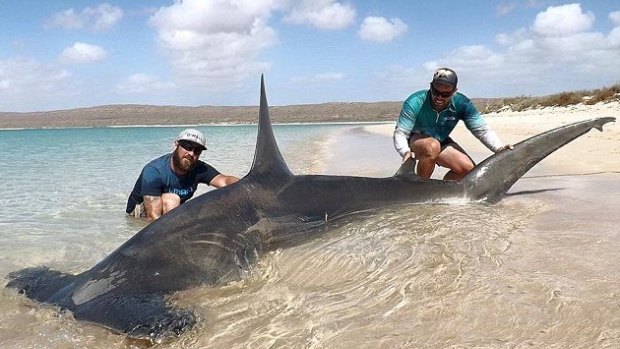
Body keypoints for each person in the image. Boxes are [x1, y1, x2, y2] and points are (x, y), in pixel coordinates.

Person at [393, 67, 513, 180]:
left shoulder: (462, 103)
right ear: (431, 86)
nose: (439, 97)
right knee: (432, 146)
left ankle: (441, 192)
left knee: (469, 171)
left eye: (445, 94)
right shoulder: (415, 101)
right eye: (436, 91)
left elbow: (481, 130)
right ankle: (418, 188)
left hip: (441, 140)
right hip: (414, 140)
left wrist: (499, 148)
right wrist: (404, 150)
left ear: (454, 91)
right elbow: (401, 132)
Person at [126, 128, 239, 220]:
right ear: (176, 146)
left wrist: (248, 184)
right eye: (187, 147)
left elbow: (225, 181)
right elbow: (153, 216)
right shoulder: (154, 171)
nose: (191, 153)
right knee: (172, 200)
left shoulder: (198, 167)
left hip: (172, 210)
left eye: (197, 150)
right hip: (140, 211)